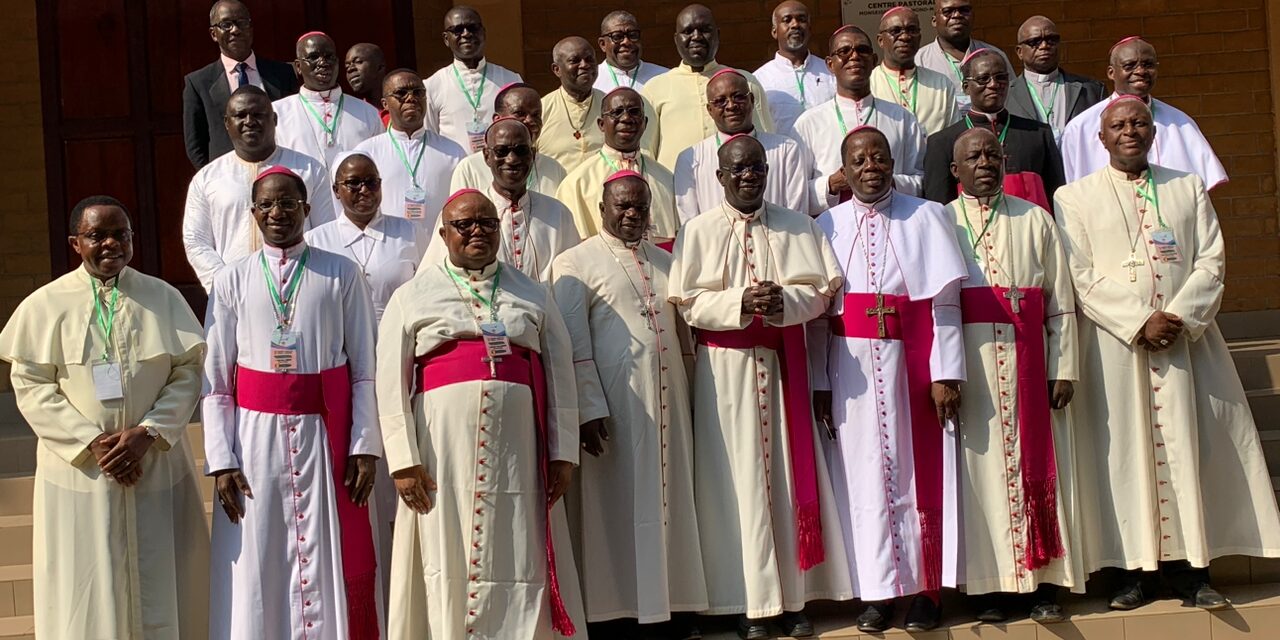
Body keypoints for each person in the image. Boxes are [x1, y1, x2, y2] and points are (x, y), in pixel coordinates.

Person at [1053, 96, 1280, 612]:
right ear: (1101, 137)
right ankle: (1133, 572)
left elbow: (1211, 260)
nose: (1129, 131)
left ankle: (1192, 571)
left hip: (1187, 346)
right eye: (1118, 125)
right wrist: (1139, 321)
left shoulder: (1186, 186)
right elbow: (1080, 275)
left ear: (1153, 133)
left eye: (1139, 123)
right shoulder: (1073, 197)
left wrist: (1178, 318)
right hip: (1116, 349)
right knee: (1125, 458)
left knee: (1190, 450)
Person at [376, 189, 587, 640]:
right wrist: (403, 461)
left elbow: (560, 373)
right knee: (444, 551)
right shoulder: (413, 296)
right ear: (443, 232)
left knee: (518, 547)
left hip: (520, 453)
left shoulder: (531, 292)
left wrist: (563, 451)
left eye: (487, 224)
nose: (477, 232)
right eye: (464, 225)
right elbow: (390, 383)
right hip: (440, 455)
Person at [0, 196, 208, 640]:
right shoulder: (45, 304)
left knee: (163, 580)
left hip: (154, 462)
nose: (111, 243)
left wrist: (149, 432)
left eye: (121, 234)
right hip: (81, 474)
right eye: (98, 235)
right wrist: (92, 441)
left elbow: (187, 371)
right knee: (86, 586)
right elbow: (32, 384)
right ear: (77, 243)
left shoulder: (162, 296)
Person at [670, 135, 851, 640]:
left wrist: (783, 303)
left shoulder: (798, 224)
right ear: (720, 177)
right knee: (735, 483)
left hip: (782, 363)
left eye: (756, 167)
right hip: (723, 373)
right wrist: (740, 303)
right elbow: (687, 303)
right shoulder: (698, 230)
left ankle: (792, 599)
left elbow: (822, 291)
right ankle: (746, 599)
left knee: (787, 479)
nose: (748, 175)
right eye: (738, 169)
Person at [204, 166, 381, 640]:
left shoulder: (342, 271)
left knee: (323, 551)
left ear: (306, 209)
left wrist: (364, 444)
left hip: (325, 436)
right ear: (254, 214)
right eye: (266, 205)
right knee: (260, 558)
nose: (278, 212)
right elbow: (217, 383)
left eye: (288, 203)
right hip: (254, 441)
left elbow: (366, 369)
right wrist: (222, 459)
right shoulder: (231, 280)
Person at [811, 126, 967, 633]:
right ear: (845, 169)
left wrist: (946, 372)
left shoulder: (927, 216)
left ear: (892, 160)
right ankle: (876, 592)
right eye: (858, 160)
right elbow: (818, 317)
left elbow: (944, 304)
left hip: (912, 362)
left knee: (919, 476)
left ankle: (927, 590)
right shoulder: (826, 225)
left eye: (878, 156)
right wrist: (820, 381)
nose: (870, 166)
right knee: (862, 480)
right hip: (850, 368)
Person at [551, 170, 707, 640]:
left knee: (670, 498)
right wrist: (589, 406)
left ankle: (670, 604)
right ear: (602, 210)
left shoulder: (666, 262)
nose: (633, 214)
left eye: (640, 206)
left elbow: (684, 339)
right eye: (623, 206)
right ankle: (617, 611)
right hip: (613, 409)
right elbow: (572, 344)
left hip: (669, 404)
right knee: (614, 506)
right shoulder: (574, 263)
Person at [945, 127, 1084, 623]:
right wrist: (944, 372)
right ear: (954, 170)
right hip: (974, 369)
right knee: (980, 476)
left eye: (991, 154)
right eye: (972, 157)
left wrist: (1063, 366)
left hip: (1030, 360)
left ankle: (1042, 583)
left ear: (1004, 161)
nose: (984, 162)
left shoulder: (1037, 219)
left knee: (1037, 467)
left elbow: (1061, 301)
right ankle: (990, 590)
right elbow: (937, 308)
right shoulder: (942, 222)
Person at [183, 86, 335, 292]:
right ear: (227, 123)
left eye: (258, 114)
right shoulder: (208, 178)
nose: (249, 121)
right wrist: (224, 282)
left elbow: (325, 231)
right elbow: (196, 240)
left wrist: (308, 278)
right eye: (240, 115)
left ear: (274, 119)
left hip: (300, 284)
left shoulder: (309, 169)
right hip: (233, 291)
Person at [1059, 37, 1227, 188]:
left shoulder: (1180, 122)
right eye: (1129, 66)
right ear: (1111, 73)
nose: (1140, 71)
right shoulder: (1080, 127)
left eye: (1148, 65)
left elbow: (1197, 192)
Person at [426, 118, 581, 281]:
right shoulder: (462, 214)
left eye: (521, 151)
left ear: (533, 155)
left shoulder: (558, 213)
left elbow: (574, 277)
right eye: (502, 151)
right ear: (487, 156)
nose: (512, 159)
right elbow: (434, 278)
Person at [792, 26, 926, 205]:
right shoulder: (808, 123)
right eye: (844, 51)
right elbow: (793, 192)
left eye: (862, 50)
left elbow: (921, 179)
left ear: (873, 60)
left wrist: (890, 180)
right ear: (830, 64)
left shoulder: (902, 118)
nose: (854, 56)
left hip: (895, 218)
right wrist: (830, 184)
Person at [923, 48, 1065, 211]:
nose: (993, 84)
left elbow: (1056, 196)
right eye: (983, 79)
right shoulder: (942, 142)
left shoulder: (1038, 134)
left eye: (1001, 77)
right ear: (966, 87)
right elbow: (939, 207)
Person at [642, 4, 774, 167]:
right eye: (688, 31)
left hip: (738, 186)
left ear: (717, 35)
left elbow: (766, 140)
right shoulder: (655, 88)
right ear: (676, 39)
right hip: (677, 188)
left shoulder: (745, 81)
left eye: (704, 29)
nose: (696, 37)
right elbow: (645, 153)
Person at [675, 69, 813, 221]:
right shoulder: (689, 159)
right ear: (710, 110)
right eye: (721, 101)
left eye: (738, 97)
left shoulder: (786, 149)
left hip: (777, 240)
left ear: (752, 100)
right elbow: (690, 223)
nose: (731, 106)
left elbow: (796, 214)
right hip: (715, 243)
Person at [557, 88, 679, 247]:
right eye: (617, 112)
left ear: (645, 123)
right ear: (601, 124)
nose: (627, 118)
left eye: (634, 112)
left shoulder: (667, 180)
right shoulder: (576, 184)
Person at [183, 0, 296, 168]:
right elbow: (195, 145)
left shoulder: (282, 74)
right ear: (214, 33)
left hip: (280, 171)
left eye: (241, 23)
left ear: (251, 29)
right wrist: (214, 177)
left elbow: (294, 125)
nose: (235, 30)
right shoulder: (198, 82)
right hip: (227, 177)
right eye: (226, 24)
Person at [354, 69, 466, 231]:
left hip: (438, 248)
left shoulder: (453, 152)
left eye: (418, 92)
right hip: (389, 248)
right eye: (401, 93)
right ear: (385, 104)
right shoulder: (366, 153)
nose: (411, 98)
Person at [274, 32, 384, 176]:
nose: (323, 63)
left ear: (337, 62)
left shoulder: (368, 112)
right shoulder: (277, 112)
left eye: (329, 57)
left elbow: (380, 164)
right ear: (298, 66)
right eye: (313, 57)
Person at [541, 37, 654, 174]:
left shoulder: (612, 108)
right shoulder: (541, 111)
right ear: (556, 69)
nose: (584, 65)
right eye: (575, 61)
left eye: (590, 60)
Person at [424, 6, 523, 153]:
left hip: (502, 170)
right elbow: (430, 139)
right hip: (455, 172)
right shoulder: (432, 85)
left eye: (472, 28)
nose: (466, 34)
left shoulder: (510, 80)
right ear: (446, 39)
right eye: (457, 30)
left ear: (483, 33)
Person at [452, 82, 569, 196]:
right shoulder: (470, 168)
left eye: (536, 115)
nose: (530, 121)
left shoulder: (554, 168)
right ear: (497, 119)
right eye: (519, 113)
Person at [1005, 16, 1104, 144]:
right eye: (1035, 42)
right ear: (1020, 52)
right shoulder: (1006, 95)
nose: (1044, 46)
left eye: (1051, 40)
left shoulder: (1091, 89)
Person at [869, 6, 958, 137]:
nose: (905, 37)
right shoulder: (868, 84)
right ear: (881, 40)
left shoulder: (941, 84)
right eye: (895, 31)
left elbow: (953, 137)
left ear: (919, 37)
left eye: (912, 30)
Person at [751, 1, 835, 136]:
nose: (795, 25)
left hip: (825, 155)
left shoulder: (830, 72)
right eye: (787, 20)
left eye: (801, 19)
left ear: (810, 28)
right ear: (774, 31)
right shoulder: (759, 80)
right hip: (782, 156)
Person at [915, 0, 1014, 113]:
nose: (957, 15)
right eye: (948, 11)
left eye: (964, 10)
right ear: (934, 20)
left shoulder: (995, 56)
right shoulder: (918, 61)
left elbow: (1013, 99)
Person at [593, 11, 669, 92]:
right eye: (617, 36)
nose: (626, 42)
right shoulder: (592, 81)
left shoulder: (664, 77)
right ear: (603, 44)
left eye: (633, 35)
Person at [346, 43, 390, 125]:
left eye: (358, 62)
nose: (350, 69)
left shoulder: (404, 107)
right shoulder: (352, 116)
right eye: (347, 66)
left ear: (380, 67)